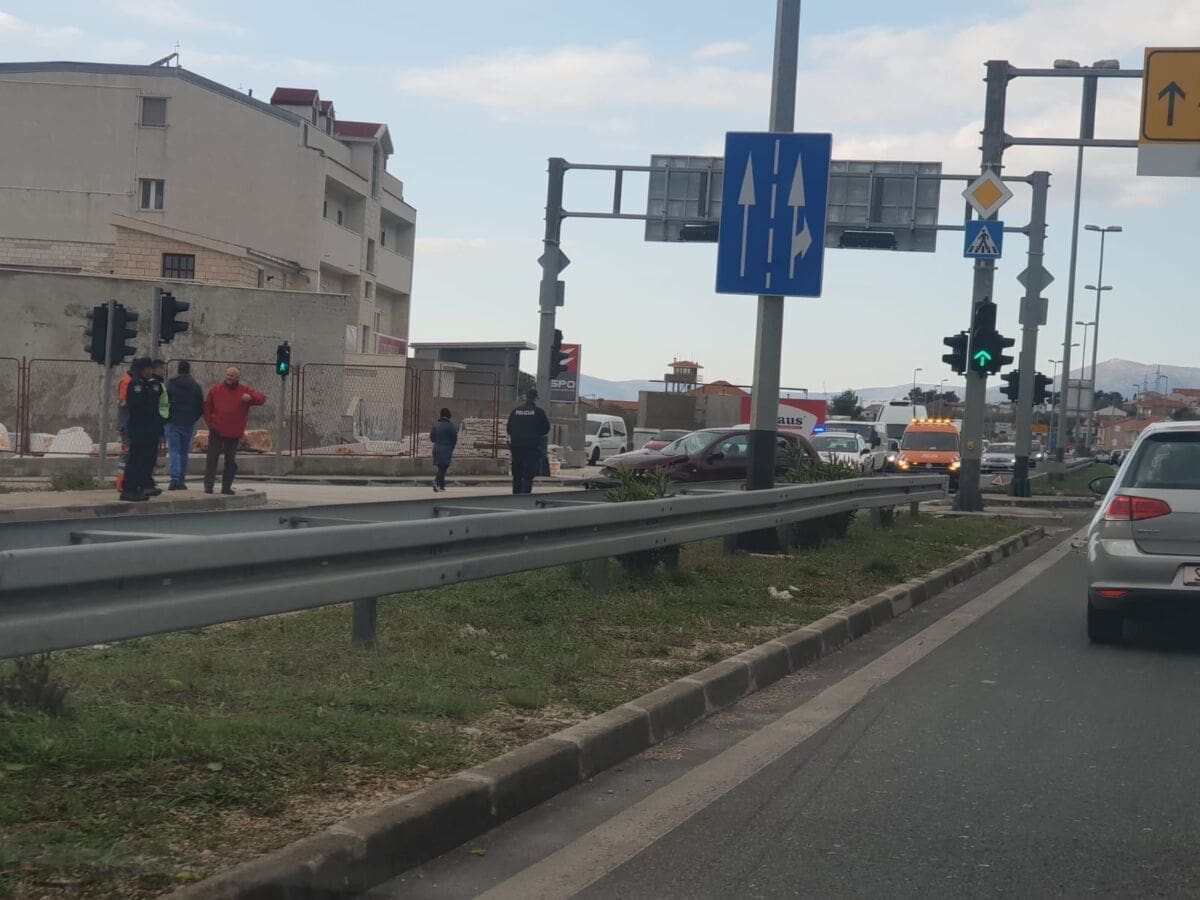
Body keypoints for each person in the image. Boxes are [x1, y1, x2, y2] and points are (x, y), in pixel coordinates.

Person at [203, 366, 267, 495]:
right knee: (212, 459)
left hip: (233, 432)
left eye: (232, 376)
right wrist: (211, 423)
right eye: (228, 375)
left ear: (237, 377)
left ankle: (226, 487)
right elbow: (207, 407)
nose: (229, 377)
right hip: (217, 430)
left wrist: (251, 398)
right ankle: (208, 486)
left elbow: (261, 398)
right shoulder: (216, 389)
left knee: (230, 461)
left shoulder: (244, 391)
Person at [119, 358, 165, 501]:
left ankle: (143, 485)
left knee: (147, 459)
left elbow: (155, 406)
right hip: (139, 429)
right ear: (141, 370)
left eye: (150, 368)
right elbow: (138, 407)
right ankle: (129, 489)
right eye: (147, 369)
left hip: (150, 429)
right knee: (135, 460)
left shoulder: (150, 384)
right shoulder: (136, 385)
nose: (150, 371)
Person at [165, 360, 205, 490]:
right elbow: (200, 406)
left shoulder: (170, 384)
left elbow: (164, 401)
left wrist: (167, 417)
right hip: (188, 423)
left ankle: (174, 478)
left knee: (174, 450)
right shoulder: (195, 386)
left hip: (172, 421)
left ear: (178, 370)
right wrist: (192, 419)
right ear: (189, 370)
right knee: (184, 452)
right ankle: (181, 480)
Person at [506, 389, 550, 495]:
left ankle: (515, 495)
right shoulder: (539, 412)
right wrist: (535, 434)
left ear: (525, 398)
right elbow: (546, 429)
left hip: (516, 447)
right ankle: (525, 495)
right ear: (535, 399)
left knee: (517, 474)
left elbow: (509, 429)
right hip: (531, 448)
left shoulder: (515, 411)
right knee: (528, 475)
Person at [429, 408, 458, 492]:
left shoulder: (436, 425)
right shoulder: (451, 426)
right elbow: (454, 439)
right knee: (443, 468)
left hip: (436, 448)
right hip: (446, 449)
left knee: (441, 467)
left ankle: (441, 486)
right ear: (449, 416)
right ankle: (436, 482)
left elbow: (432, 438)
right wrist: (451, 447)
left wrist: (438, 441)